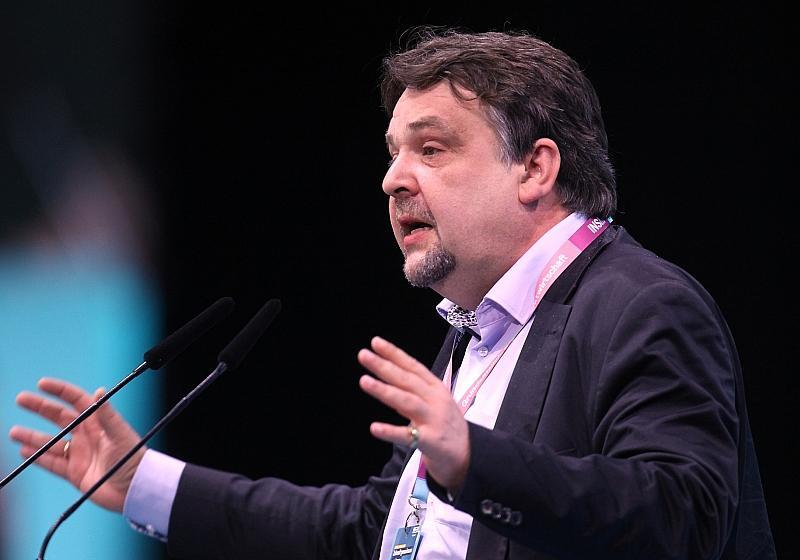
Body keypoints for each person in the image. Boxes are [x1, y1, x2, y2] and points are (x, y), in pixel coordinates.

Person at [9, 27, 776, 560]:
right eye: (392, 153)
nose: (392, 179)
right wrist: (144, 483)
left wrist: (475, 460)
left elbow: (685, 518)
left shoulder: (640, 304)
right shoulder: (484, 330)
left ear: (536, 169)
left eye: (431, 149)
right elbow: (369, 532)